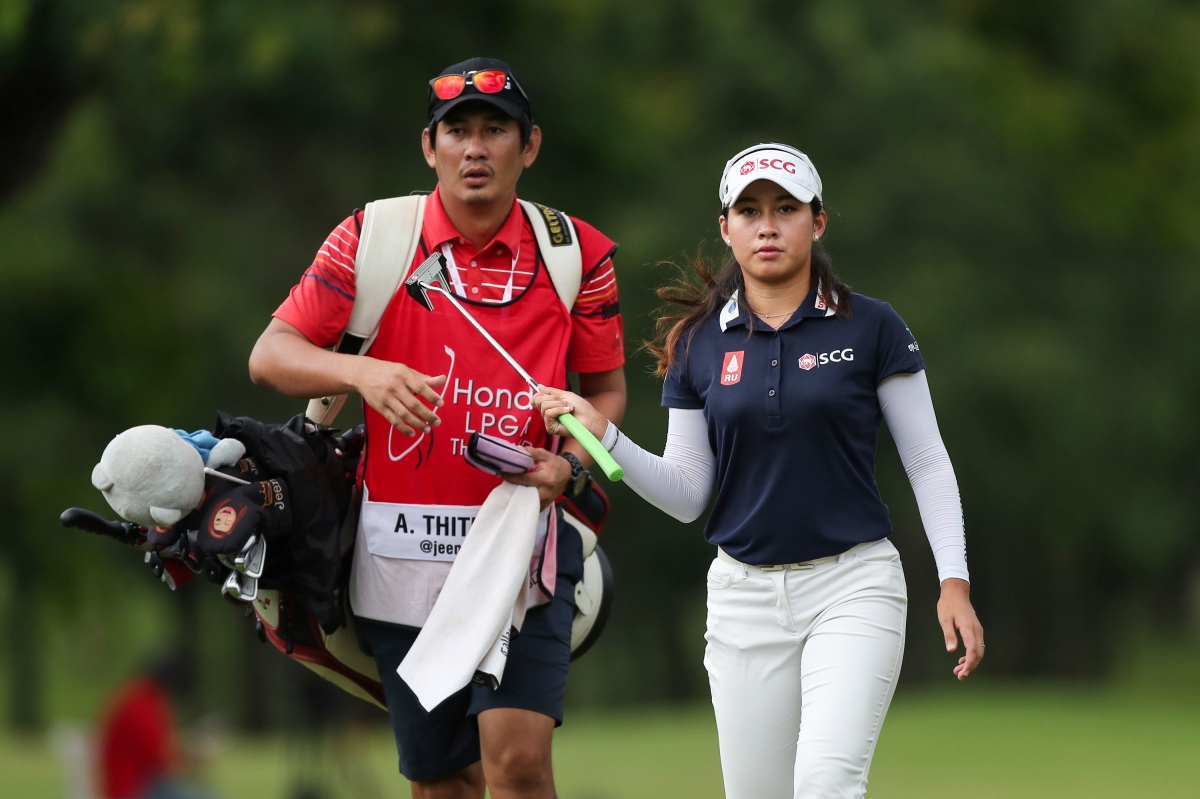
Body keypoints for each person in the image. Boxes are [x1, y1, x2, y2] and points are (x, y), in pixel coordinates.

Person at [532, 143, 984, 799]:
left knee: (827, 784)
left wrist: (954, 580)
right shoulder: (698, 342)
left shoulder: (872, 326)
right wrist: (605, 433)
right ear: (726, 227)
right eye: (749, 210)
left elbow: (927, 459)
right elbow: (688, 494)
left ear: (818, 221)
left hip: (853, 584)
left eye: (785, 208)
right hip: (743, 599)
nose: (767, 225)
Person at [247, 58, 626, 799]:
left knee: (516, 761)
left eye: (496, 130)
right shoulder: (373, 233)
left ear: (531, 144)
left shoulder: (577, 252)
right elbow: (271, 355)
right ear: (430, 147)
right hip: (400, 551)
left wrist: (571, 464)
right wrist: (364, 375)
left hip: (523, 542)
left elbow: (604, 393)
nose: (475, 148)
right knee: (442, 779)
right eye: (457, 131)